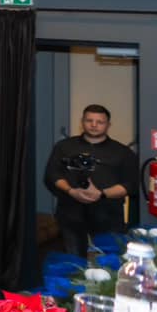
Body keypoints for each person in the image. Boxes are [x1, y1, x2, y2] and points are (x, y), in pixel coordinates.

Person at [43, 104, 138, 258]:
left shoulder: (123, 152)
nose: (94, 125)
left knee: (108, 263)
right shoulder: (64, 147)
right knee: (73, 262)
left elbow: (131, 185)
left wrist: (101, 194)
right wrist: (71, 191)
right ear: (82, 122)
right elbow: (52, 175)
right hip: (71, 213)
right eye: (89, 120)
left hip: (108, 215)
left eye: (100, 122)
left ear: (108, 125)